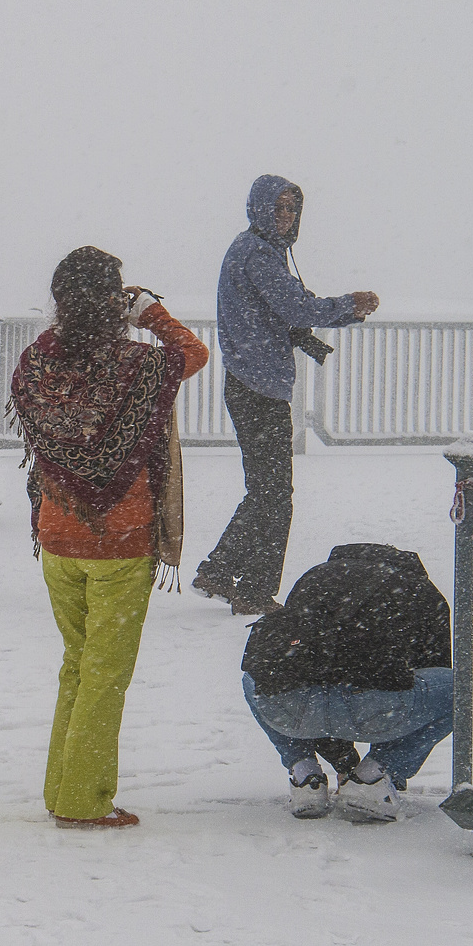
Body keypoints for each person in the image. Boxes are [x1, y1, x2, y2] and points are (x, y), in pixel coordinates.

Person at [10, 247, 208, 829]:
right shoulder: (138, 364)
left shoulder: (37, 361)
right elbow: (191, 353)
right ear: (113, 299)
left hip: (57, 533)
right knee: (105, 675)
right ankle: (84, 799)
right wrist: (150, 313)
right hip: (120, 539)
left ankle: (60, 788)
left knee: (77, 665)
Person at [194, 174, 379, 615]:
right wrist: (350, 306)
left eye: (292, 208)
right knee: (275, 494)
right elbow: (296, 308)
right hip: (257, 387)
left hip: (251, 383)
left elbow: (287, 304)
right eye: (278, 207)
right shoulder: (257, 255)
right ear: (259, 208)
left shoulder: (257, 252)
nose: (286, 216)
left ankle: (219, 570)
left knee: (265, 490)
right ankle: (255, 590)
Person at [240, 544, 453, 822]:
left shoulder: (314, 577)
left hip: (291, 711)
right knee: (463, 690)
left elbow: (292, 662)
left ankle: (305, 776)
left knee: (255, 678)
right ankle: (374, 778)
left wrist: (342, 760)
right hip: (375, 707)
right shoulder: (420, 589)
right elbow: (430, 676)